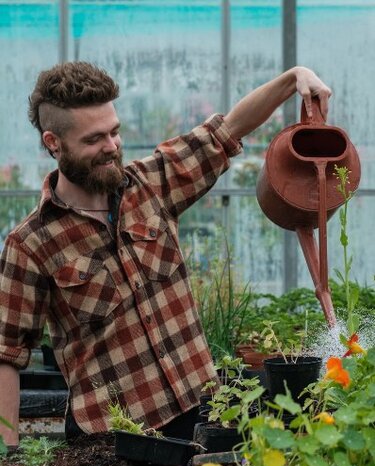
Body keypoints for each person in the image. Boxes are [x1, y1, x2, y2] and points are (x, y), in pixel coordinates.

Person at [0, 62, 331, 445]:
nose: (111, 147)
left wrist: (294, 79)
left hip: (205, 418)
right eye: (94, 140)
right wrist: (8, 463)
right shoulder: (31, 244)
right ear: (53, 143)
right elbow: (7, 354)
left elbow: (226, 131)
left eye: (115, 132)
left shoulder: (153, 184)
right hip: (113, 444)